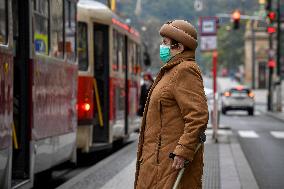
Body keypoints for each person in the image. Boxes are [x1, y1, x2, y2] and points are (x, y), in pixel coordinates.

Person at [134, 20, 209, 189]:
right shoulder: (170, 71)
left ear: (179, 47)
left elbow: (198, 116)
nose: (162, 47)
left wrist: (183, 151)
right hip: (158, 162)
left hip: (170, 164)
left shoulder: (185, 70)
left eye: (165, 43)